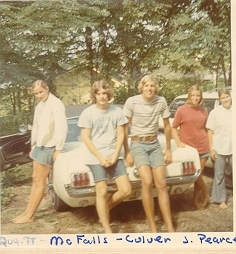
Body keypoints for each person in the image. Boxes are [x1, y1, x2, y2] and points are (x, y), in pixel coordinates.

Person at [123, 75, 175, 233]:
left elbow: (167, 126)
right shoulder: (132, 102)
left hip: (154, 144)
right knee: (146, 182)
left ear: (156, 88)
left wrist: (168, 148)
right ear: (141, 87)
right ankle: (152, 225)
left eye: (152, 86)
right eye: (147, 85)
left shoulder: (161, 101)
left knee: (161, 184)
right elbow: (124, 128)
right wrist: (127, 152)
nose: (149, 88)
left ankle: (169, 226)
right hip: (137, 144)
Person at [78, 80, 131, 233]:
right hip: (95, 156)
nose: (102, 96)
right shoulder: (88, 113)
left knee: (126, 190)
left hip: (113, 154)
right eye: (98, 94)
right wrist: (100, 158)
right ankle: (107, 229)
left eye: (104, 93)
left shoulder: (116, 112)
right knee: (101, 191)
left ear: (109, 94)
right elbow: (86, 138)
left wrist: (115, 155)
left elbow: (121, 134)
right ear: (94, 95)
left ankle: (104, 210)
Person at [12, 80, 68, 224]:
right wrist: (33, 145)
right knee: (35, 179)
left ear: (47, 89)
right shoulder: (40, 106)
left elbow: (61, 127)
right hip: (39, 146)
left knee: (40, 181)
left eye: (41, 92)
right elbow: (36, 127)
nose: (38, 95)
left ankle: (30, 215)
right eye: (36, 93)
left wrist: (58, 148)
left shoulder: (56, 104)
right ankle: (26, 212)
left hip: (49, 146)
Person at [172, 85, 210, 210]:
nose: (195, 97)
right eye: (193, 95)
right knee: (196, 174)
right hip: (188, 149)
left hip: (203, 146)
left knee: (199, 175)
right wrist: (178, 142)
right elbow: (173, 128)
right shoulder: (181, 110)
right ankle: (206, 195)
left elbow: (206, 129)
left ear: (200, 97)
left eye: (197, 95)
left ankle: (195, 200)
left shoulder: (204, 111)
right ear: (189, 96)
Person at [206, 88, 232, 209]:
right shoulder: (215, 113)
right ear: (219, 99)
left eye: (227, 96)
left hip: (233, 147)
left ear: (230, 96)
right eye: (223, 98)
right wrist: (211, 149)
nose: (226, 99)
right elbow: (210, 131)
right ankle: (221, 199)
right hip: (219, 147)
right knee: (219, 174)